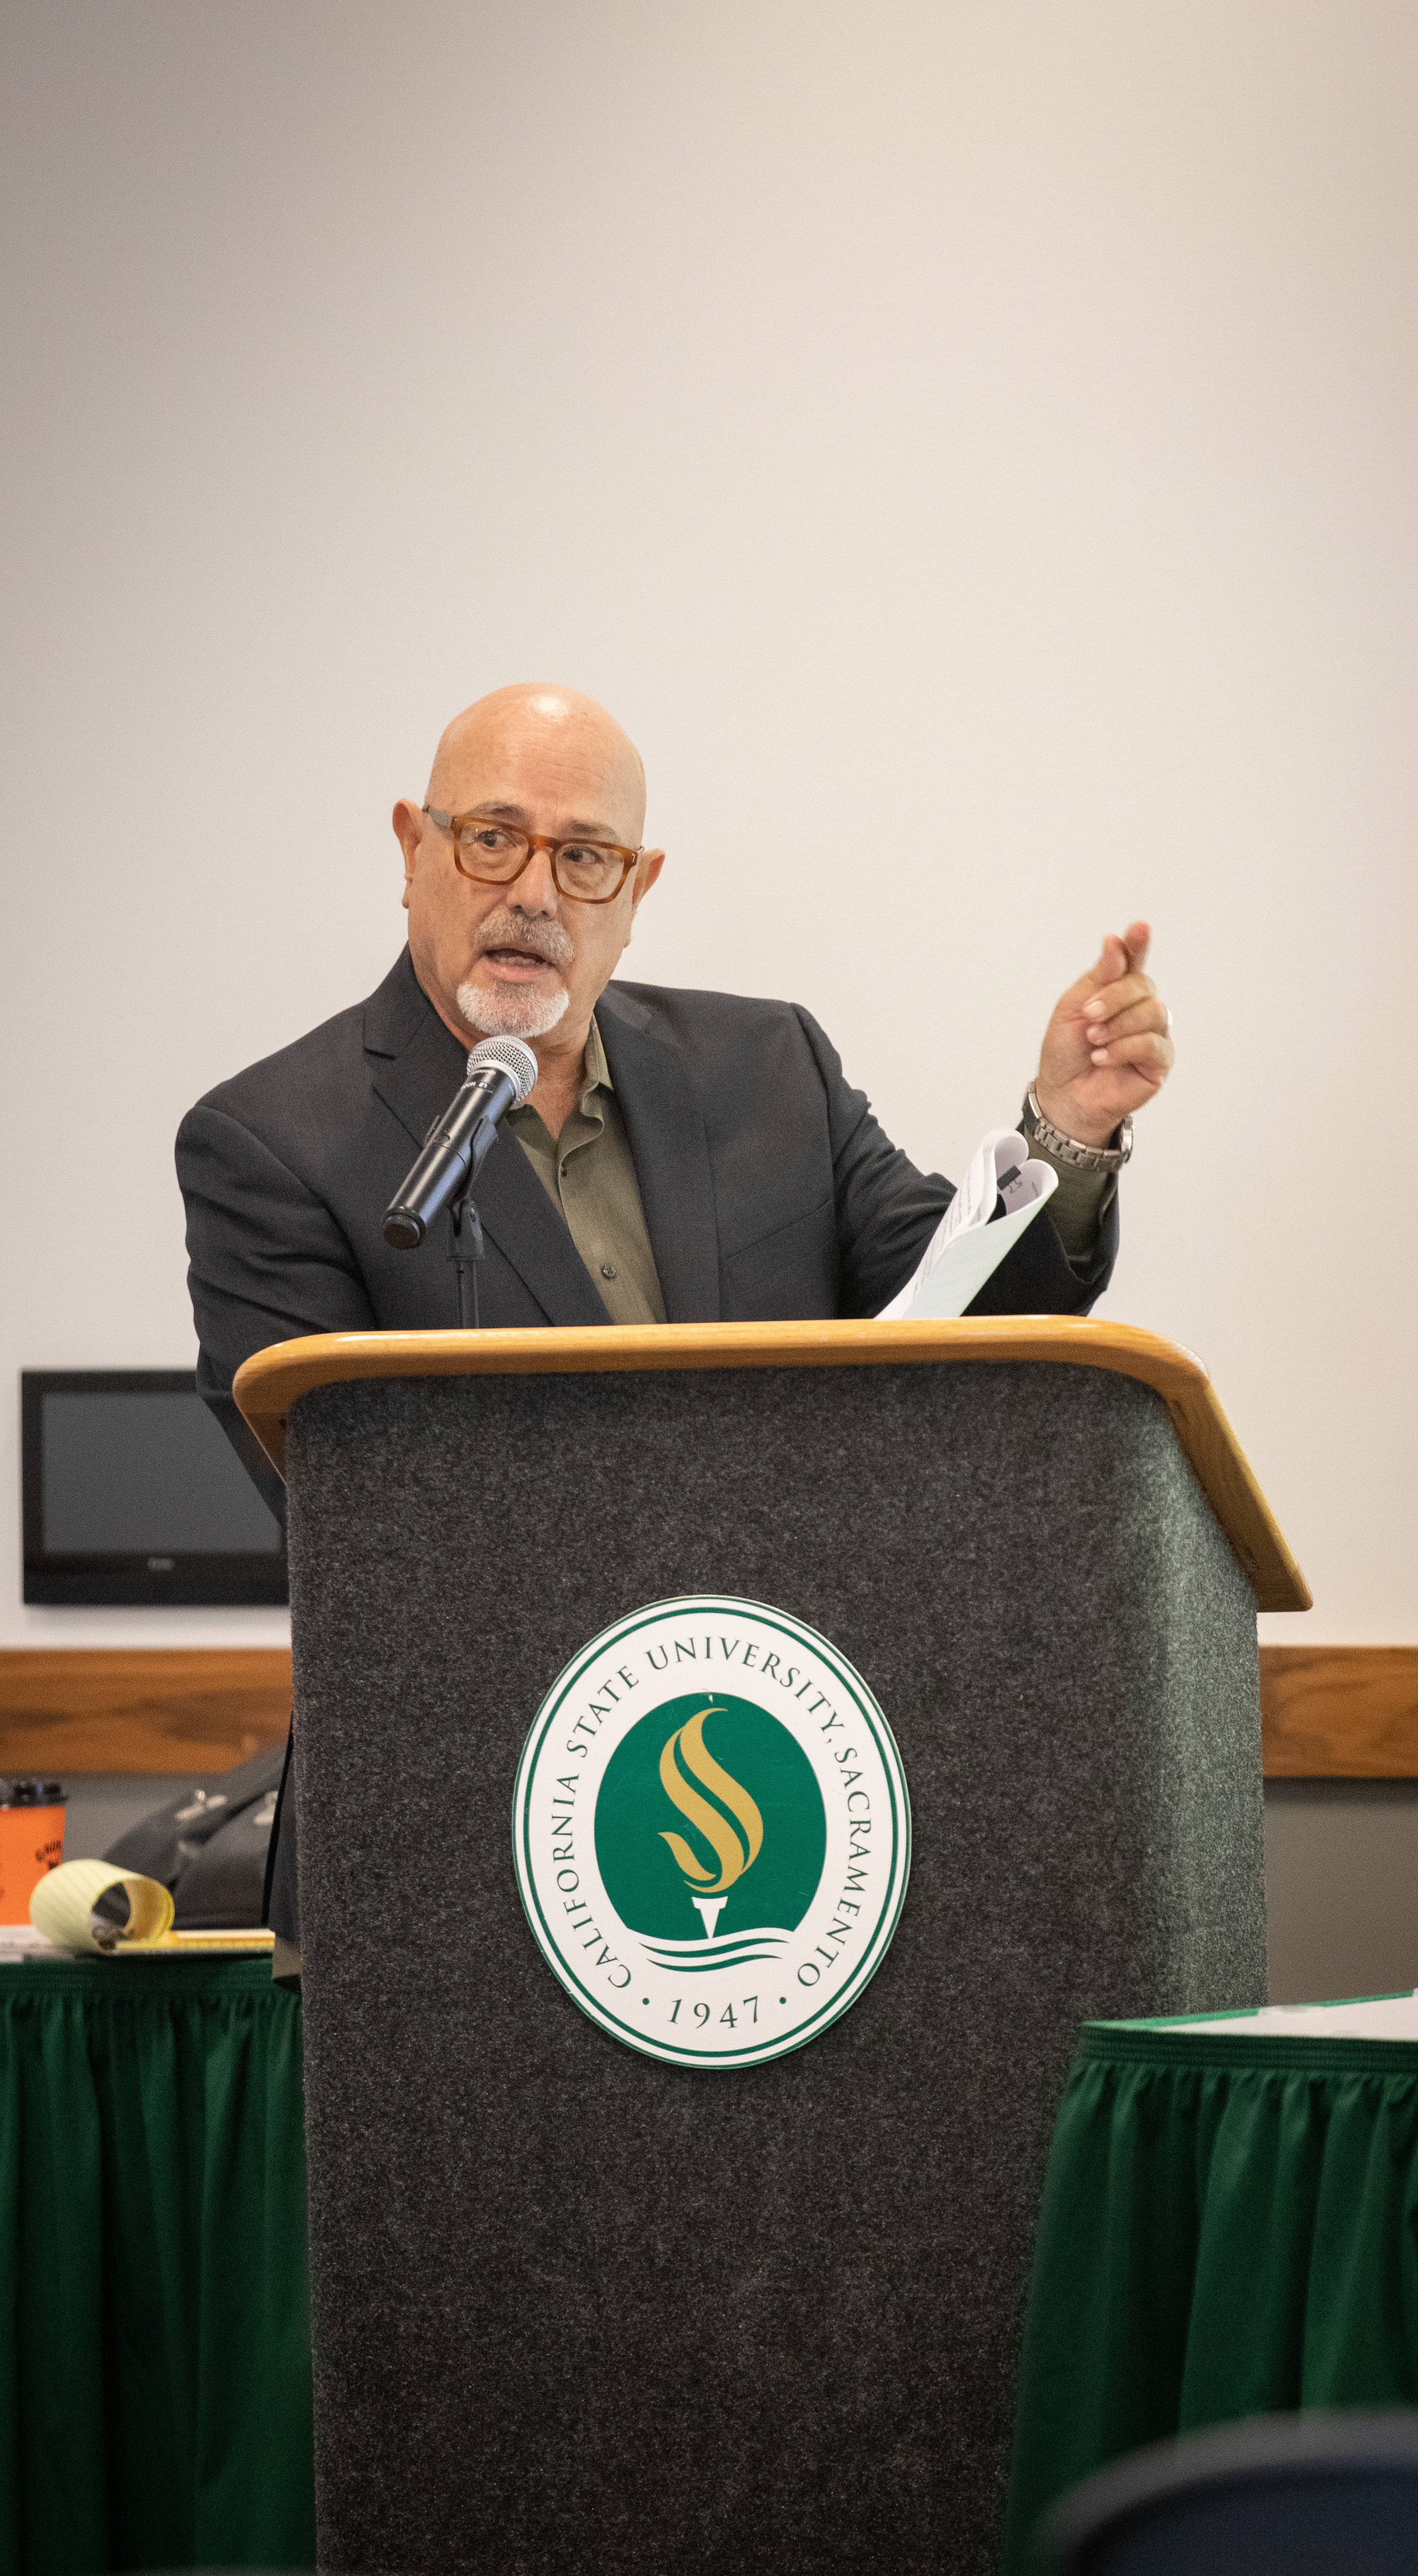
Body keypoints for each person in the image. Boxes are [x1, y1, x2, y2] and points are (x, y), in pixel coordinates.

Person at [175, 681, 1175, 1975]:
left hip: (792, 1804)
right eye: (491, 837)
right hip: (449, 1844)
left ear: (635, 890)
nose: (533, 890)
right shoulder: (272, 1141)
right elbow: (346, 1509)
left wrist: (1066, 1129)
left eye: (583, 856)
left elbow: (961, 1340)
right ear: (411, 851)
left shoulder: (766, 1070)